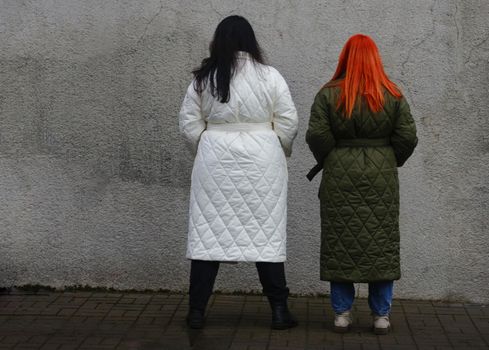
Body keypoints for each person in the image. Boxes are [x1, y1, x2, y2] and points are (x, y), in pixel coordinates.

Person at [179, 15, 299, 330]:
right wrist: (277, 147)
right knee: (266, 237)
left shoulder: (205, 77)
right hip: (263, 164)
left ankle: (196, 312)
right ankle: (279, 312)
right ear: (250, 41)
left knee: (208, 234)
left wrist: (205, 144)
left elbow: (189, 122)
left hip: (214, 163)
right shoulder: (270, 76)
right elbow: (287, 120)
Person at [305, 34, 418, 335]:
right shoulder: (392, 94)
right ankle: (381, 315)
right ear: (375, 59)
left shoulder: (328, 94)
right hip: (381, 176)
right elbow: (407, 137)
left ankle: (342, 314)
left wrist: (335, 155)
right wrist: (388, 158)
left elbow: (316, 135)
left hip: (339, 174)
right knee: (380, 243)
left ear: (344, 58)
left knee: (341, 242)